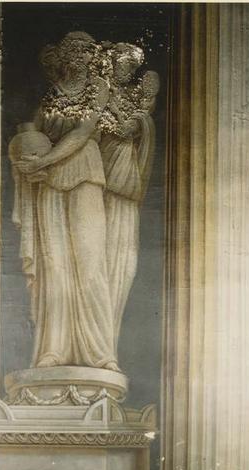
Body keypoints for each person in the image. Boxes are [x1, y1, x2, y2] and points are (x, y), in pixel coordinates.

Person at [12, 32, 120, 371]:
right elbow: (31, 133)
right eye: (74, 51)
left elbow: (83, 133)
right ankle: (53, 349)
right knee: (54, 267)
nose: (80, 57)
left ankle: (101, 353)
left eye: (85, 52)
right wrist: (26, 158)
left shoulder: (98, 88)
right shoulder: (52, 94)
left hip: (84, 171)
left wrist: (42, 161)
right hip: (49, 183)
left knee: (90, 263)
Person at [99, 42, 158, 344]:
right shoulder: (98, 95)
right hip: (102, 175)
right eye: (123, 65)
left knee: (121, 254)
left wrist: (138, 119)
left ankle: (109, 330)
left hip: (123, 176)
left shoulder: (132, 101)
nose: (127, 72)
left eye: (132, 68)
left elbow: (130, 128)